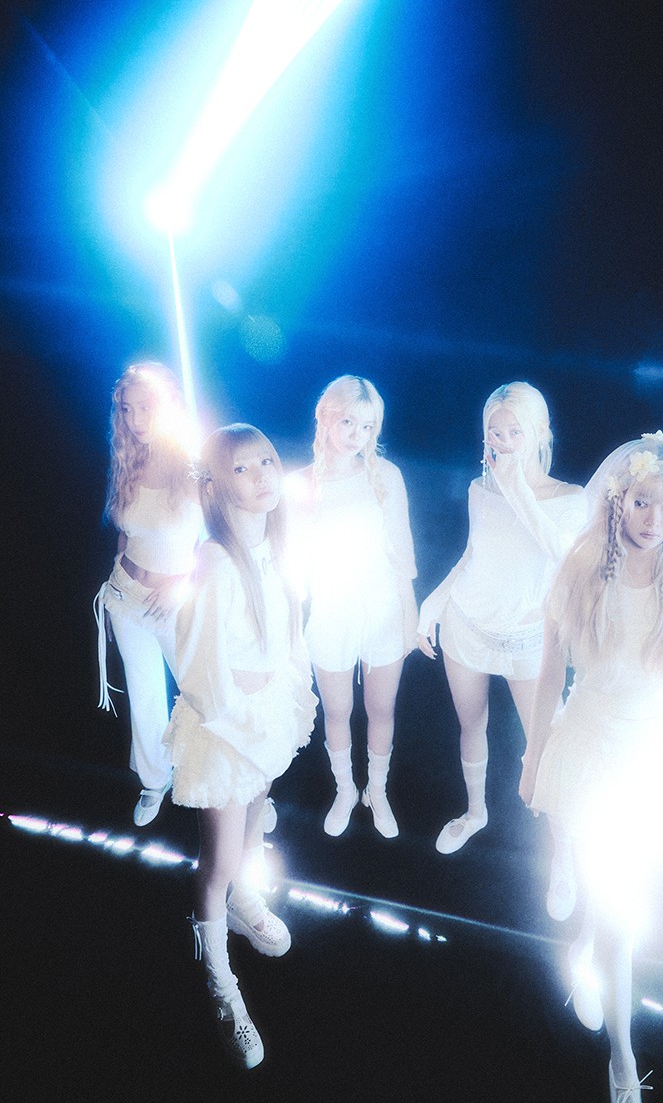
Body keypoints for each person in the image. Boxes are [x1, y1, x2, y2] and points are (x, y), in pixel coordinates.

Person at [519, 431, 663, 1103]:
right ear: (617, 499)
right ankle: (623, 1056)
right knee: (620, 911)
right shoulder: (577, 575)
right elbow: (549, 676)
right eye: (642, 503)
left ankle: (584, 950)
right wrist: (533, 756)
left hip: (652, 761)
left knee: (618, 899)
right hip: (591, 753)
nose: (654, 521)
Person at [164, 424, 317, 1069]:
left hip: (266, 716)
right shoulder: (216, 561)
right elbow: (197, 662)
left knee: (256, 818)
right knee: (220, 858)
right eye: (242, 469)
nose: (261, 478)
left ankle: (242, 899)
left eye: (267, 462)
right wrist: (240, 725)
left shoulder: (277, 547)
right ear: (217, 487)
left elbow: (288, 629)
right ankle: (220, 980)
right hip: (227, 726)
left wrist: (288, 691)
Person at [417, 382, 586, 853]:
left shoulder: (570, 499)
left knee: (548, 747)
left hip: (529, 640)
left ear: (540, 432)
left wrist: (518, 490)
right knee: (471, 725)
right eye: (496, 432)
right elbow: (473, 555)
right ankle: (475, 812)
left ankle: (564, 856)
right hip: (467, 626)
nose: (505, 441)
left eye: (516, 431)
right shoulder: (480, 488)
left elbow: (566, 561)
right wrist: (432, 603)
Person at [285, 375, 417, 838]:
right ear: (325, 417)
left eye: (367, 426)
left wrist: (410, 616)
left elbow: (402, 551)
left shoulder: (387, 476)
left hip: (383, 609)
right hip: (330, 610)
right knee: (337, 709)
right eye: (347, 422)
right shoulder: (299, 485)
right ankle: (345, 789)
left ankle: (376, 790)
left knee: (381, 708)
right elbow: (293, 564)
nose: (357, 435)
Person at [95, 362, 203, 825]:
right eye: (127, 409)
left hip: (175, 601)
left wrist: (182, 583)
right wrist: (115, 593)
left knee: (203, 694)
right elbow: (125, 535)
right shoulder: (127, 459)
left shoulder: (195, 464)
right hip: (125, 596)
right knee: (144, 695)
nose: (136, 419)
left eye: (146, 407)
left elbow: (222, 544)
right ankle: (154, 781)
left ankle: (246, 786)